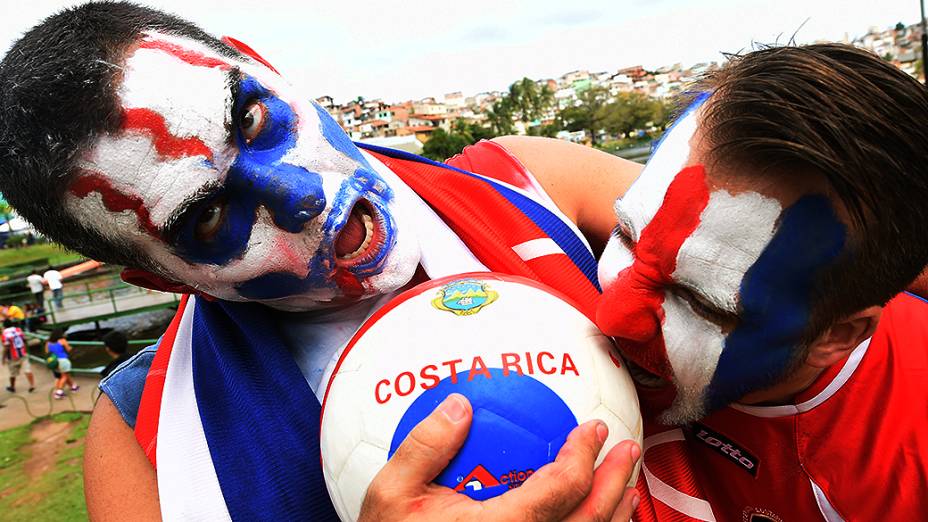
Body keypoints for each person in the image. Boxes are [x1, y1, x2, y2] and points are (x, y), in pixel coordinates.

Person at [0, 3, 641, 521]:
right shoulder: (146, 440)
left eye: (250, 121)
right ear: (164, 280)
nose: (301, 196)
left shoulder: (541, 190)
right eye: (209, 217)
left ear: (260, 64)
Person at [592, 45, 928, 520]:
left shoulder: (900, 476)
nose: (613, 317)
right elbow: (513, 161)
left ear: (838, 336)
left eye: (700, 304)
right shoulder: (689, 239)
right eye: (625, 235)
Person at [2, 319, 35, 393]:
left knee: (13, 373)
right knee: (27, 369)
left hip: (12, 356)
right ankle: (32, 385)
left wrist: (3, 358)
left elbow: (6, 346)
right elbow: (24, 340)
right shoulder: (18, 329)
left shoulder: (5, 333)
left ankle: (12, 387)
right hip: (22, 353)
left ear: (4, 326)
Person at [46, 328, 78, 400]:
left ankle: (73, 387)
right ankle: (59, 392)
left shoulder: (48, 343)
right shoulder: (62, 341)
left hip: (54, 361)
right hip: (63, 360)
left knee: (62, 375)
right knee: (64, 376)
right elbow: (68, 349)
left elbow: (47, 352)